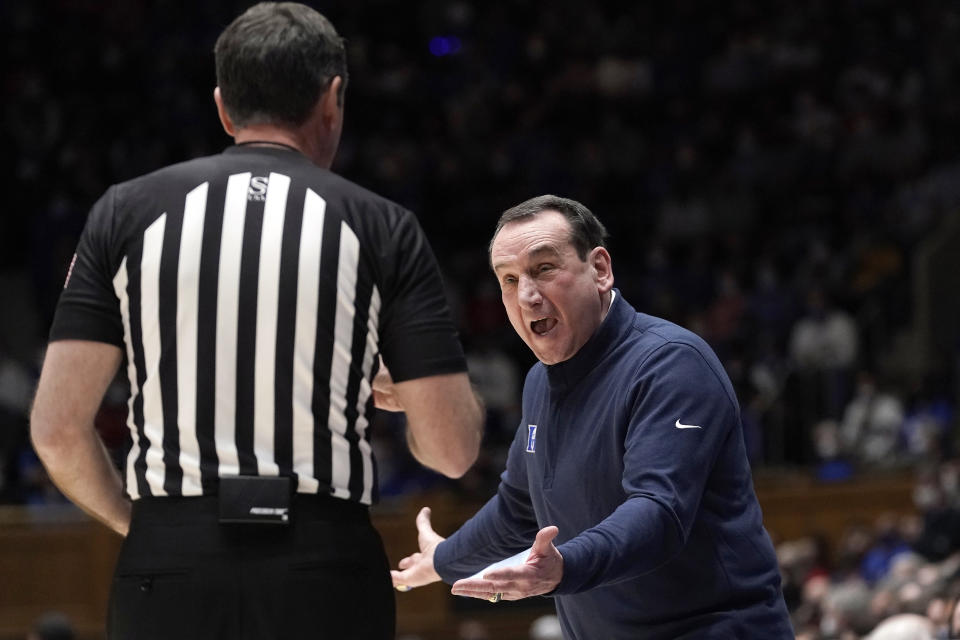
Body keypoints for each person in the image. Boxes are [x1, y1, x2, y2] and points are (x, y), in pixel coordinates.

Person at [29, 4, 483, 639]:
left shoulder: (123, 213)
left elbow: (55, 430)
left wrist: (151, 526)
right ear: (332, 100)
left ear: (223, 106)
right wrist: (404, 391)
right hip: (323, 567)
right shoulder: (382, 226)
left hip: (170, 559)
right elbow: (453, 451)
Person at [390, 195, 794, 639]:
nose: (526, 295)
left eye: (544, 268)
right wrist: (444, 560)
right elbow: (519, 509)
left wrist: (564, 567)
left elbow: (658, 512)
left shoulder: (672, 364)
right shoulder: (539, 384)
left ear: (600, 269)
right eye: (508, 279)